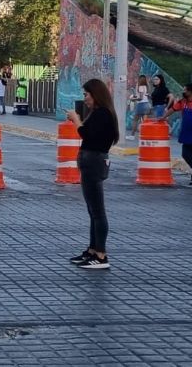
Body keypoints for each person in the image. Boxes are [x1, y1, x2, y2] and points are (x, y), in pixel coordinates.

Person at [65, 78, 118, 270]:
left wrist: (76, 119)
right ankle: (92, 250)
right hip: (90, 162)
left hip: (94, 163)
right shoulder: (98, 113)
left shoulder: (103, 114)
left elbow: (87, 135)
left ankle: (101, 255)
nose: (84, 99)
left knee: (98, 212)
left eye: (86, 95)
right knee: (92, 211)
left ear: (96, 95)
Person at [128, 75, 150, 139]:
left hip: (140, 104)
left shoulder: (140, 86)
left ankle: (132, 135)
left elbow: (140, 98)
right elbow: (145, 96)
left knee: (135, 120)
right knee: (144, 121)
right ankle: (146, 135)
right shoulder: (146, 86)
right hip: (146, 104)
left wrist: (133, 99)